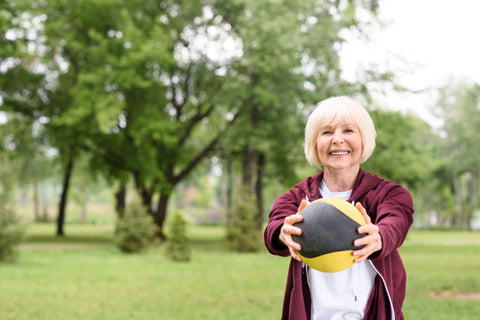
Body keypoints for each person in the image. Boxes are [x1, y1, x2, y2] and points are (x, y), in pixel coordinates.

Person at [264, 96, 414, 320]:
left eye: (348, 131)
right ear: (315, 144)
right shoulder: (298, 197)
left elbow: (396, 220)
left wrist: (380, 236)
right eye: (326, 132)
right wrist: (282, 232)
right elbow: (274, 226)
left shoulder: (389, 194)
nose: (337, 140)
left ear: (364, 140)